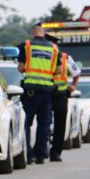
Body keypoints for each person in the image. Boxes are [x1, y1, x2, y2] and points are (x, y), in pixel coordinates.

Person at [17, 23, 62, 164]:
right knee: (44, 124)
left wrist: (29, 70)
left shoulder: (27, 45)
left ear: (33, 33)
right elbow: (59, 70)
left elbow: (21, 67)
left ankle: (29, 155)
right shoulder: (54, 48)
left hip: (30, 91)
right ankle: (41, 155)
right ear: (44, 33)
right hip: (47, 91)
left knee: (26, 122)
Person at [48, 42, 81, 162]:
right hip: (45, 94)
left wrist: (73, 85)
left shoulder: (65, 58)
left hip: (61, 95)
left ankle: (55, 153)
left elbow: (76, 73)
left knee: (60, 125)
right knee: (44, 123)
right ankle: (42, 150)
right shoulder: (43, 56)